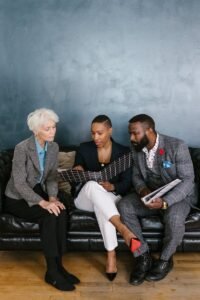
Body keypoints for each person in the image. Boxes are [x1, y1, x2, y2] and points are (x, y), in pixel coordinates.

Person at [5, 108, 80, 291]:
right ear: (36, 130)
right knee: (48, 215)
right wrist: (44, 203)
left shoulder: (53, 147)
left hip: (39, 191)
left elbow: (52, 177)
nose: (53, 131)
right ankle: (52, 272)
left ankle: (60, 266)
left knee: (60, 211)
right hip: (17, 197)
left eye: (53, 127)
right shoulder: (22, 148)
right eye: (47, 129)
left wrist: (53, 198)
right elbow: (20, 184)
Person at [118, 114, 198, 285]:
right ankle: (142, 256)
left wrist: (165, 202)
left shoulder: (177, 146)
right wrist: (144, 191)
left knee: (174, 218)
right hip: (152, 195)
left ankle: (164, 260)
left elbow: (188, 181)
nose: (131, 138)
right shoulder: (136, 149)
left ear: (150, 130)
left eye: (135, 133)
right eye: (130, 133)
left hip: (179, 197)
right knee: (124, 205)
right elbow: (137, 177)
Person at [73, 115, 141, 281]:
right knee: (92, 185)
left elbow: (126, 184)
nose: (95, 137)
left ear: (110, 131)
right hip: (85, 198)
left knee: (101, 207)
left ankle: (111, 256)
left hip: (110, 199)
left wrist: (113, 187)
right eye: (93, 133)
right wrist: (78, 170)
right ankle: (123, 229)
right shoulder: (84, 148)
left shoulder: (124, 152)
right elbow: (78, 173)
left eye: (100, 133)